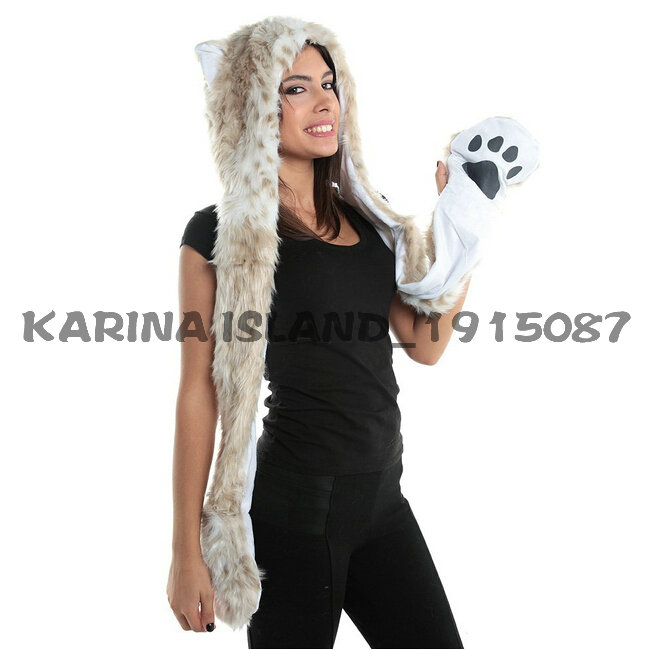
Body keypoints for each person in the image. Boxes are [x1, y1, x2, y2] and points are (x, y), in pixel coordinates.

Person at [167, 30, 470, 650]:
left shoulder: (371, 221)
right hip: (294, 515)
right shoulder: (218, 234)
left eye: (328, 85)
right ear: (254, 106)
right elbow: (199, 390)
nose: (324, 101)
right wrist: (185, 552)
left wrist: (463, 227)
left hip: (384, 502)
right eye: (296, 89)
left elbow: (425, 343)